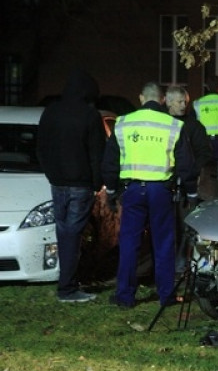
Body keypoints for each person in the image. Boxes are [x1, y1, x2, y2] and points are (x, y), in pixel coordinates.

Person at [102, 82, 199, 309]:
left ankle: (125, 296)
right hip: (161, 192)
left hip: (132, 190)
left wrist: (111, 191)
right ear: (163, 99)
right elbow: (186, 164)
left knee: (129, 243)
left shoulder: (123, 123)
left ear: (141, 98)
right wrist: (191, 192)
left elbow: (110, 162)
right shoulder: (173, 125)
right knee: (163, 243)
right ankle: (166, 295)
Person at [36, 68, 106, 303]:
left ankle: (66, 280)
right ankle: (67, 287)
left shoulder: (51, 111)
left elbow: (41, 147)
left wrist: (51, 174)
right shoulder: (90, 115)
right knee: (73, 235)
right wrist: (97, 183)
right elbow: (96, 154)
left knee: (64, 232)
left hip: (58, 183)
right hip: (80, 184)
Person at [165, 84, 211, 275]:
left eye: (185, 102)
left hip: (185, 185)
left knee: (184, 227)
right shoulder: (161, 123)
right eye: (179, 102)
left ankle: (181, 264)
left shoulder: (194, 126)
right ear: (168, 102)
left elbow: (204, 153)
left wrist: (192, 172)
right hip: (163, 182)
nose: (184, 105)